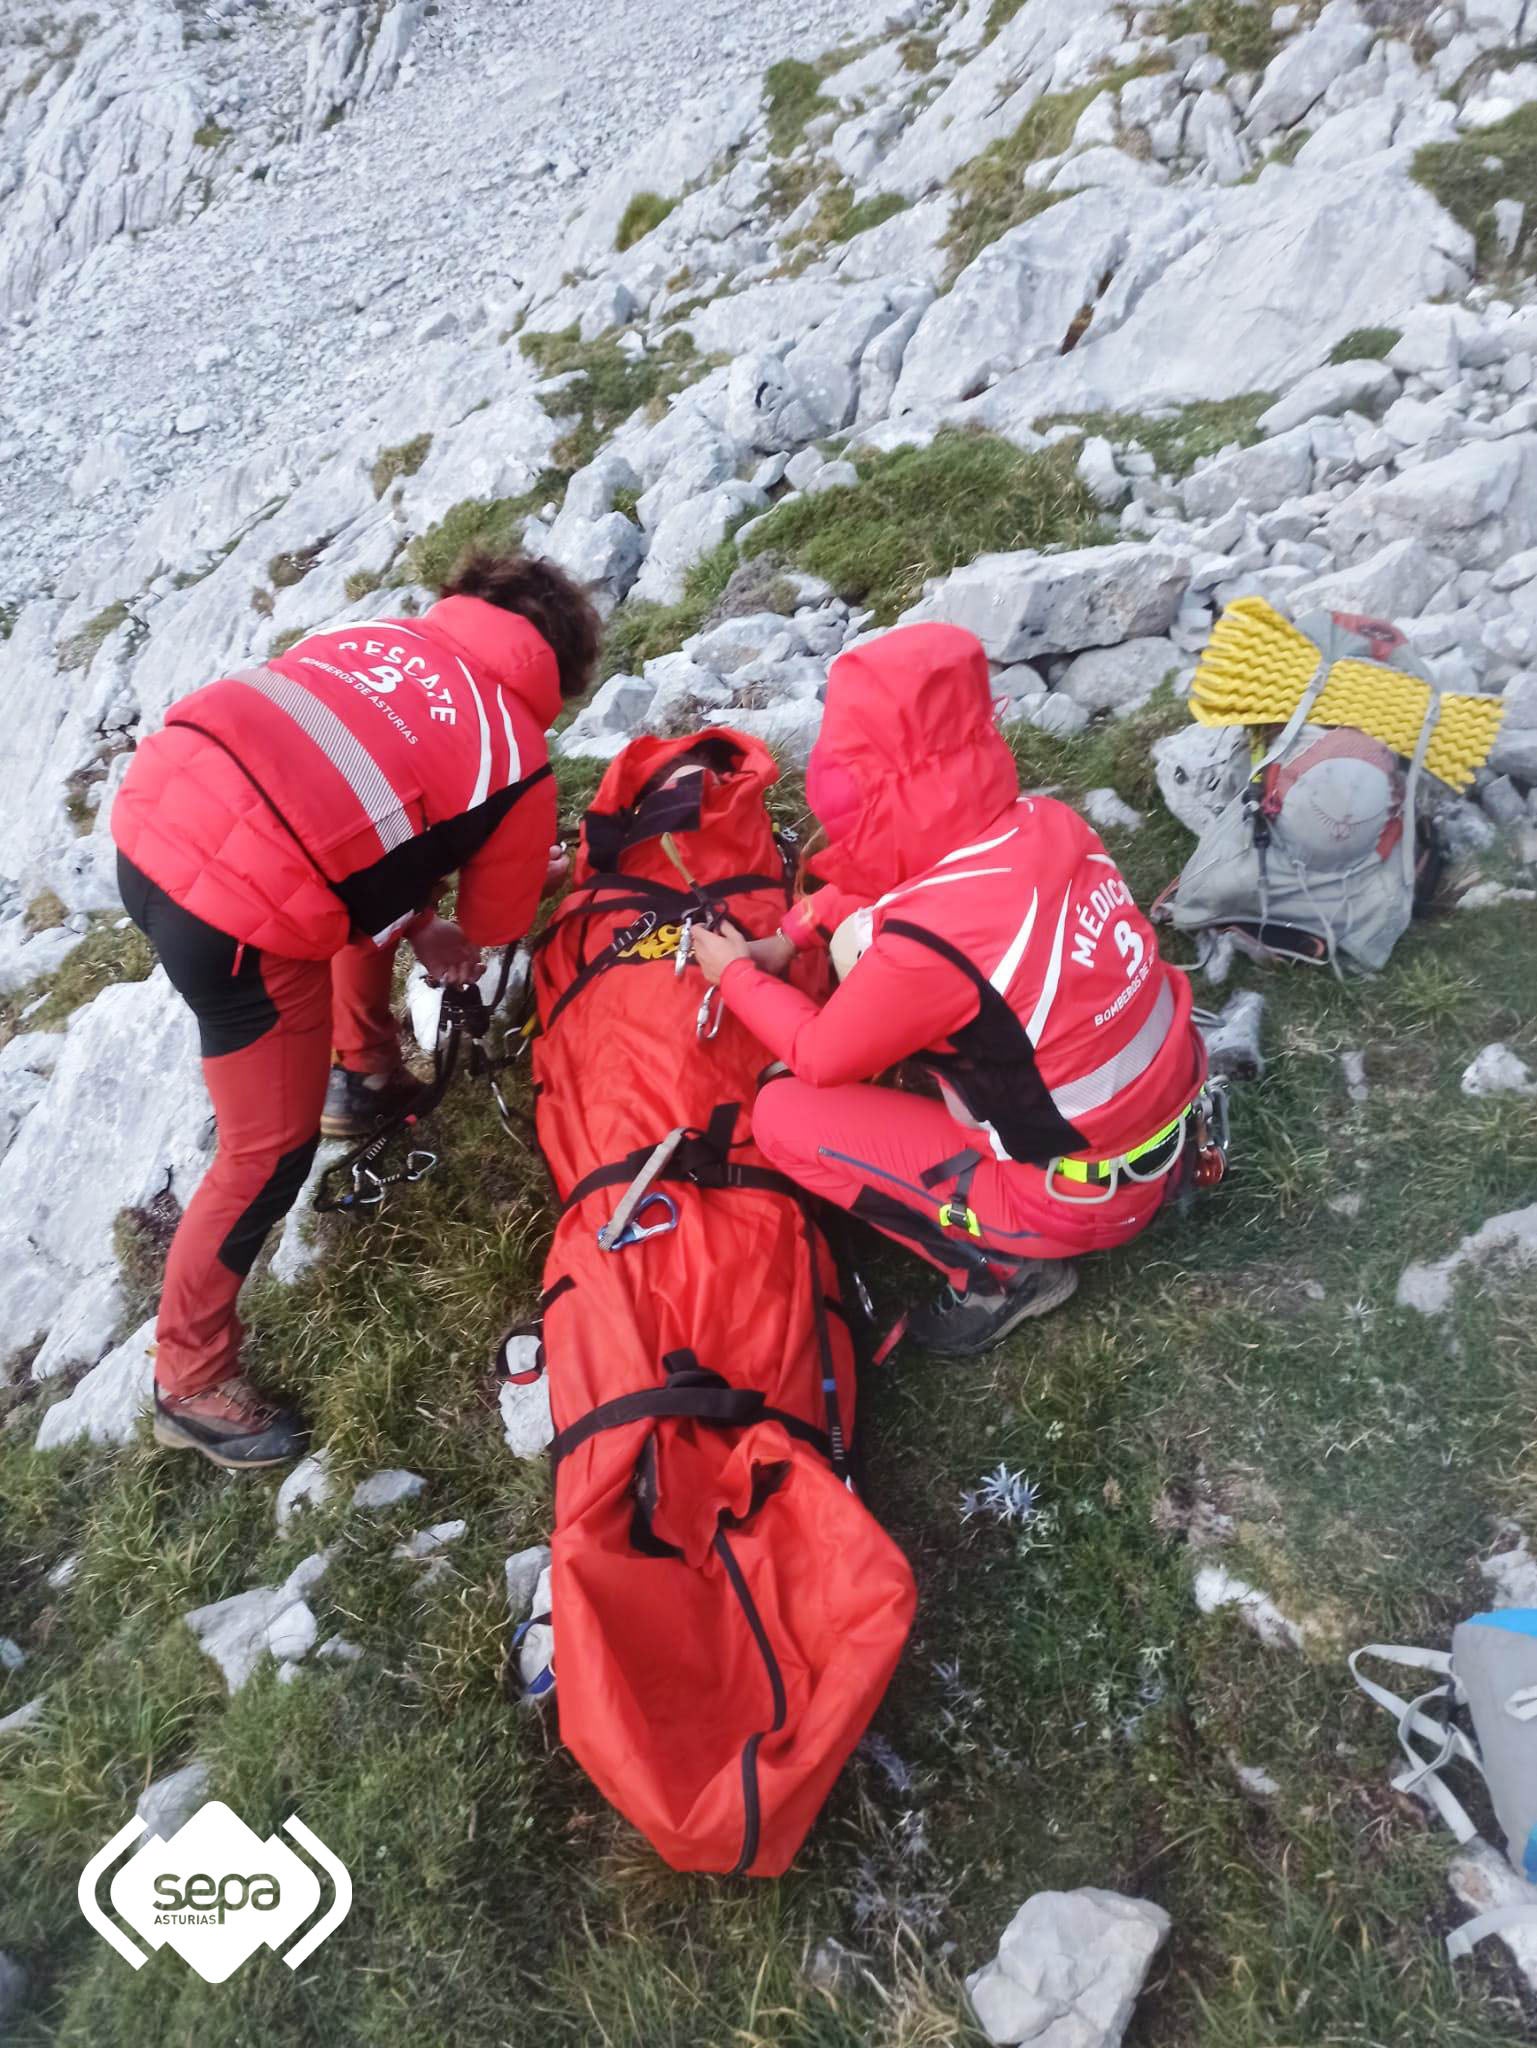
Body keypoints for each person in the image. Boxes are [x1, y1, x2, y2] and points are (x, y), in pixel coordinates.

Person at [112, 551, 601, 1468]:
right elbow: (491, 925)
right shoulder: (512, 751)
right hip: (235, 919)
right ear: (561, 673)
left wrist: (417, 917)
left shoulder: (373, 636)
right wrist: (470, 907)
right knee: (266, 1154)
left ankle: (364, 1070)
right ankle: (190, 1380)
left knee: (350, 894)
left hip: (152, 817)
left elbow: (355, 812)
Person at [690, 622, 1207, 1356]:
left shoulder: (928, 952)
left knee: (781, 1113)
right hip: (1157, 1127)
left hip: (1072, 1198)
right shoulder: (1043, 822)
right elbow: (898, 874)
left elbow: (815, 1053)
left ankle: (1004, 1269)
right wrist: (792, 935)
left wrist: (734, 972)